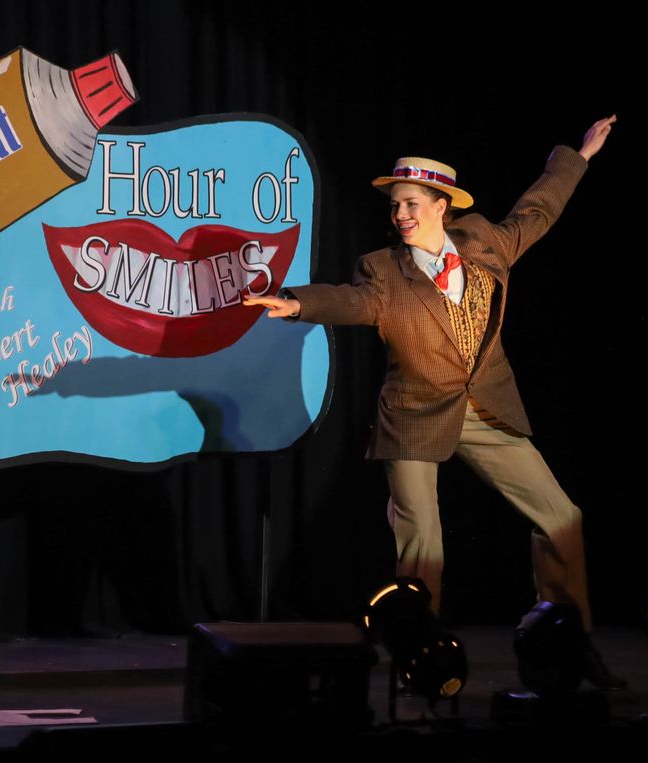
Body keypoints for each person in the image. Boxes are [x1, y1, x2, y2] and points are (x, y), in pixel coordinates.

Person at [244, 116, 625, 688]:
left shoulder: (486, 244)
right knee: (423, 541)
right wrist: (298, 304)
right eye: (395, 205)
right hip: (414, 415)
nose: (400, 214)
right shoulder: (383, 271)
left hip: (485, 410)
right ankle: (419, 654)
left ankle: (567, 638)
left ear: (441, 206)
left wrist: (580, 156)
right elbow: (351, 301)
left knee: (562, 518)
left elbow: (537, 211)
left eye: (411, 204)